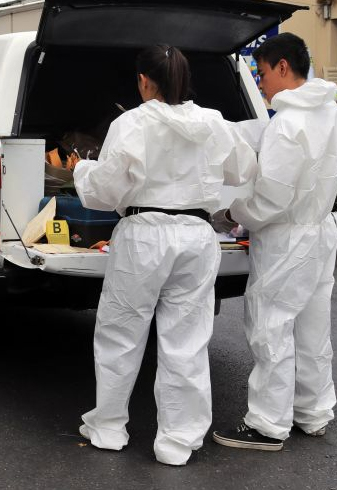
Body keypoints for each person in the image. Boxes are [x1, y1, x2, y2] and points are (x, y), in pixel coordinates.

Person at [73, 45, 257, 466]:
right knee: (187, 341)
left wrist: (83, 169)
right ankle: (177, 441)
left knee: (121, 333)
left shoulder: (131, 123)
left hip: (143, 234)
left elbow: (104, 194)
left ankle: (108, 427)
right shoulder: (213, 122)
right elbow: (243, 170)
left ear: (143, 80)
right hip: (196, 234)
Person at [211, 32, 337, 451]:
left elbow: (270, 197)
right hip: (320, 230)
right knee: (312, 327)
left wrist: (231, 215)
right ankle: (313, 411)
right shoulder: (327, 111)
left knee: (271, 326)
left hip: (288, 238)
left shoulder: (287, 124)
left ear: (283, 67)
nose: (261, 81)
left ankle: (267, 425)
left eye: (263, 72)